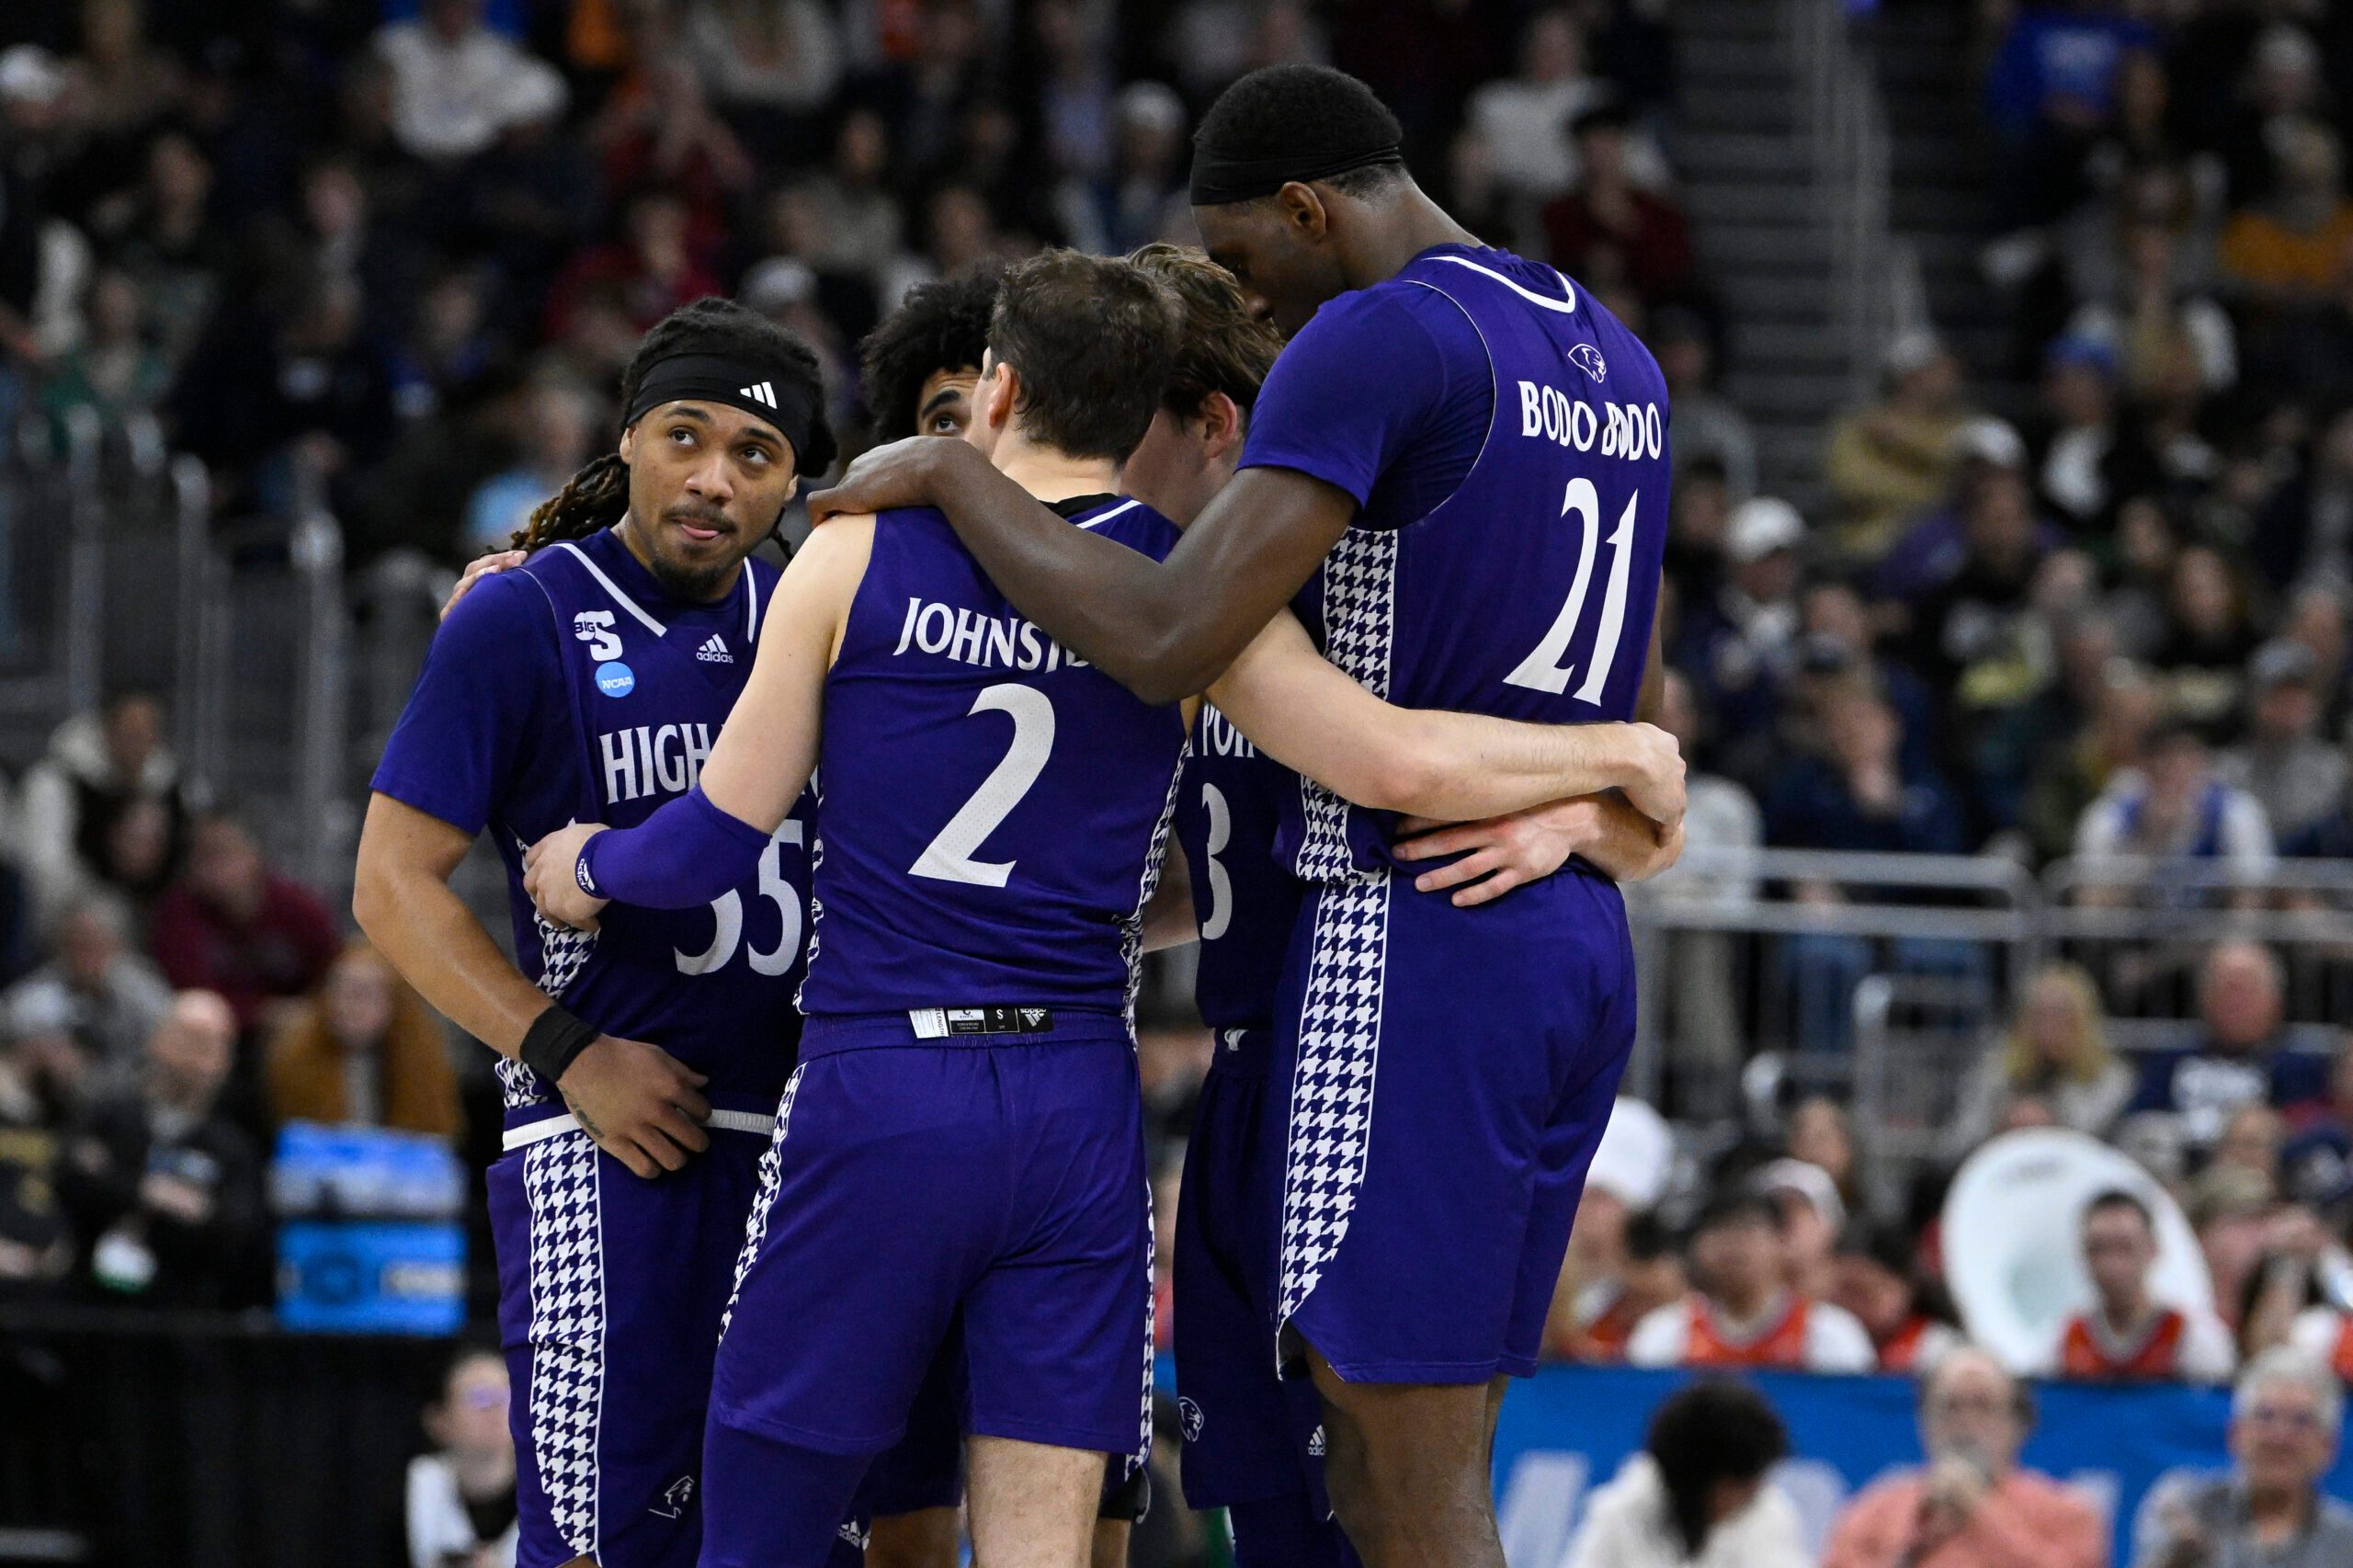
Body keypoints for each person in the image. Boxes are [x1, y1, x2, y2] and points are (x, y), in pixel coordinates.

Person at [525, 245, 1680, 1568]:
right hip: (1079, 1100)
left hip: (882, 1081)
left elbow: (710, 842)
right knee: (1051, 1543)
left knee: (766, 1511)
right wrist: (1616, 764)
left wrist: (584, 864)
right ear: (1147, 414)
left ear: (998, 390)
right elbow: (1390, 757)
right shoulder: (1191, 602)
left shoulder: (855, 557)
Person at [804, 63, 1677, 1567]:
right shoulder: (1617, 354)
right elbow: (1636, 722)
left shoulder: (1380, 335)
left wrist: (952, 473)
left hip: (1408, 932)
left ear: (1305, 207)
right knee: (1375, 1463)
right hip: (1550, 929)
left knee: (1398, 1474)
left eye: (1241, 259)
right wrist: (1601, 809)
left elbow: (1172, 640)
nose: (1249, 304)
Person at [355, 298, 854, 1568]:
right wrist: (566, 1048)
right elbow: (393, 885)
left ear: (795, 482)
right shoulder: (519, 616)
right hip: (609, 1137)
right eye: (686, 434)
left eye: (756, 454)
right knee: (601, 1543)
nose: (713, 477)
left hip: (804, 1148)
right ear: (626, 437)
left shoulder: (818, 618)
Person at [51, 989, 262, 1308]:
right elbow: (70, 1177)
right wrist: (147, 1193)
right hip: (89, 1304)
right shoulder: (109, 1116)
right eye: (188, 1040)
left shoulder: (232, 1146)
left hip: (184, 1310)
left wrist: (113, 1178)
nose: (195, 1058)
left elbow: (234, 1228)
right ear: (158, 1039)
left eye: (211, 1045)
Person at [1820, 1345, 2105, 1568]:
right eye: (1951, 1407)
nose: (1966, 1423)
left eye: (1983, 1407)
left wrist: (1980, 1510)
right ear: (1924, 1423)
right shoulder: (1873, 1511)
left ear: (2018, 1425)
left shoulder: (2067, 1513)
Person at [2132, 1346, 2353, 1568]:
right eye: (2265, 1416)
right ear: (2235, 1433)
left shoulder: (2346, 1541)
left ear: (2328, 1447)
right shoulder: (2186, 1508)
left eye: (2301, 1421)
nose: (2280, 1436)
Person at [1562, 1380, 1806, 1568]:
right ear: (1697, 1480)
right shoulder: (1618, 1513)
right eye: (1739, 1483)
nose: (1753, 1491)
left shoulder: (1770, 1514)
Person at [1625, 1189, 1875, 1372]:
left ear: (1782, 1241)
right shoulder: (1662, 1333)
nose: (1732, 1243)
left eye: (1747, 1228)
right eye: (1718, 1229)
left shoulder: (1832, 1334)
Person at [148, 812, 342, 1038]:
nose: (211, 867)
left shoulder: (297, 908)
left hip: (296, 1034)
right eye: (201, 856)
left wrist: (305, 1013)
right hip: (216, 1034)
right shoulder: (180, 912)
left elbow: (333, 975)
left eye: (222, 853)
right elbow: (187, 993)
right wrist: (259, 1013)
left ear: (253, 854)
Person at [2128, 942, 2326, 1150]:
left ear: (2276, 1001)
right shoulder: (2168, 1062)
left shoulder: (2300, 1069)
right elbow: (2136, 1121)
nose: (2236, 1002)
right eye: (2226, 989)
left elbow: (2310, 1131)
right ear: (2203, 999)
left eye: (2246, 990)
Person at [266, 940, 461, 1138]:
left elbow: (433, 1138)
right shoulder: (294, 1057)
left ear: (396, 1004)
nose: (345, 1005)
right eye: (338, 990)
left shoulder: (423, 1062)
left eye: (363, 994)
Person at [2051, 1188, 2234, 1381]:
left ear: (2152, 1249)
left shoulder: (2192, 1337)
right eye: (2097, 1249)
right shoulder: (2064, 1339)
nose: (2111, 1265)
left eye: (2124, 1248)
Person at [1949, 963, 2132, 1154]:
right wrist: (2004, 1122)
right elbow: (1963, 1134)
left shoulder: (2112, 1077)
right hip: (2002, 1169)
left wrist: (2050, 1121)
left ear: (2083, 1021)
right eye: (2040, 1014)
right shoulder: (1997, 1070)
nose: (2050, 1025)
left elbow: (2104, 1141)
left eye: (2061, 1013)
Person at [0, 892, 172, 1097]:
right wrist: (38, 1055)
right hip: (45, 1102)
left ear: (117, 945)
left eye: (94, 943)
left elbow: (159, 1060)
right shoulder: (34, 995)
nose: (84, 955)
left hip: (128, 1100)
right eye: (75, 943)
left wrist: (87, 1075)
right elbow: (12, 1037)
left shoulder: (144, 994)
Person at [409, 1346, 519, 1568]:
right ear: (438, 1419)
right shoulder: (415, 1488)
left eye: (506, 1394)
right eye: (481, 1398)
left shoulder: (563, 1496)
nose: (497, 1409)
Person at [1831, 1221, 1963, 1374]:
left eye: (1872, 1292)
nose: (1858, 1305)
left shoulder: (1938, 1348)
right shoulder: (1827, 1341)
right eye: (1849, 1291)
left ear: (1908, 1290)